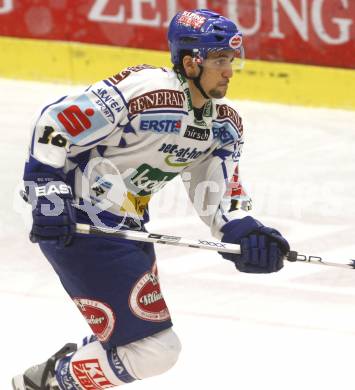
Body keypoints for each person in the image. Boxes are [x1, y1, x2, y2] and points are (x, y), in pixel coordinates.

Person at [13, 8, 290, 390]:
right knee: (155, 350)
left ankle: (54, 375)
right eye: (220, 60)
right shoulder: (145, 91)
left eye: (231, 61)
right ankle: (44, 384)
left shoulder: (223, 126)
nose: (229, 71)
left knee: (137, 343)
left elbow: (219, 195)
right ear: (192, 63)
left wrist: (244, 232)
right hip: (77, 224)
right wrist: (45, 187)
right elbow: (57, 122)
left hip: (128, 231)